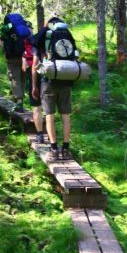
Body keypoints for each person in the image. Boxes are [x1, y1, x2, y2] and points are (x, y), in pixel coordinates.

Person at [32, 14, 77, 160]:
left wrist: (44, 26)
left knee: (49, 114)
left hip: (49, 80)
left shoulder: (47, 33)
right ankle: (65, 148)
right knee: (65, 115)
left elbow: (33, 41)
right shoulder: (67, 34)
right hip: (66, 80)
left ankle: (53, 148)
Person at [0, 14, 26, 111]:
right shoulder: (25, 27)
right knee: (22, 78)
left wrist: (4, 49)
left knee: (15, 78)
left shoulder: (6, 28)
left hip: (12, 57)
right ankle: (19, 98)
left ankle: (19, 102)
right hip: (24, 57)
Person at [22, 26, 44, 141]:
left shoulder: (30, 44)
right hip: (49, 76)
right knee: (48, 110)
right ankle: (53, 138)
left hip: (34, 75)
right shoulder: (48, 43)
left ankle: (40, 134)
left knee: (36, 107)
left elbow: (25, 67)